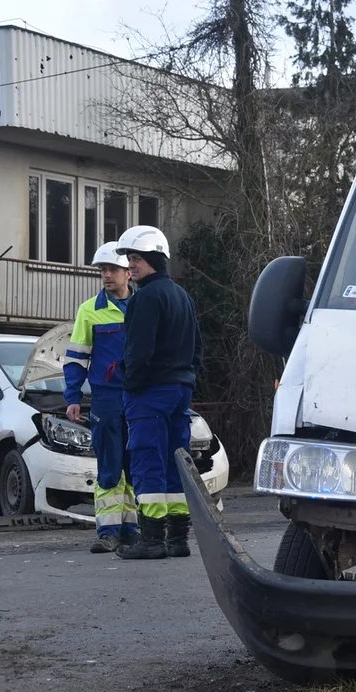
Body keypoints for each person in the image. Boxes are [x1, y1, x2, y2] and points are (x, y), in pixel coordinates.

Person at [113, 225, 204, 560]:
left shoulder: (145, 299)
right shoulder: (183, 296)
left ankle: (152, 540)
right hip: (180, 390)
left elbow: (139, 352)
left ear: (152, 259)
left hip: (149, 392)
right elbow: (197, 348)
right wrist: (188, 378)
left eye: (135, 259)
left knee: (146, 460)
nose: (130, 266)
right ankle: (178, 539)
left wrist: (131, 386)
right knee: (174, 463)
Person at [63, 241, 139, 553]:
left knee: (137, 464)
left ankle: (133, 529)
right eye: (103, 270)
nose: (106, 275)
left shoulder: (144, 305)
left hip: (139, 396)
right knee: (110, 465)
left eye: (112, 269)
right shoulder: (89, 311)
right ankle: (108, 531)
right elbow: (76, 358)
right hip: (107, 398)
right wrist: (72, 396)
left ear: (128, 273)